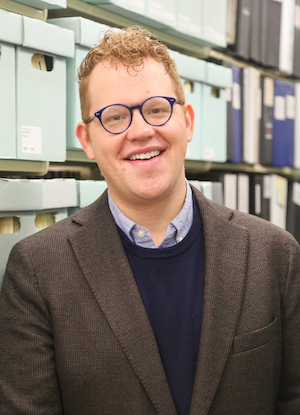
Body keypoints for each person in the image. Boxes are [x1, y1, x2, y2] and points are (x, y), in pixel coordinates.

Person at [0, 25, 300, 415]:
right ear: (87, 140)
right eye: (114, 117)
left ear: (188, 121)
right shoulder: (37, 271)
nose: (141, 131)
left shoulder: (275, 256)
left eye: (157, 109)